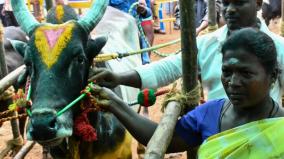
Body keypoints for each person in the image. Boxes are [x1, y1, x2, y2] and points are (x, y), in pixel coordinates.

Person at [90, 28, 284, 158]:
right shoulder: (210, 114)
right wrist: (115, 103)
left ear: (273, 75)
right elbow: (160, 137)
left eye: (246, 73)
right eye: (226, 72)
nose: (233, 82)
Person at [89, 0, 284, 106]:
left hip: (265, 138)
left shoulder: (279, 48)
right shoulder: (207, 43)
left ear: (258, 4)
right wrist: (118, 78)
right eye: (225, 3)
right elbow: (167, 69)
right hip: (216, 135)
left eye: (239, 3)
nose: (229, 10)